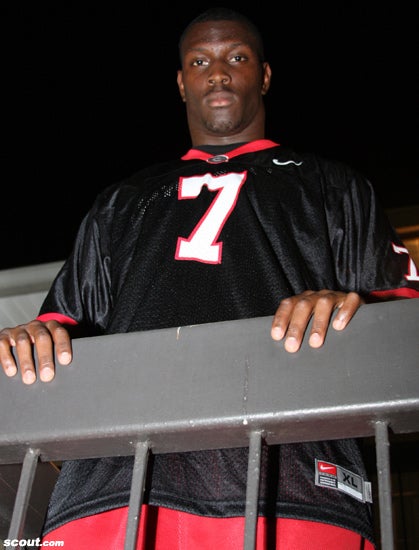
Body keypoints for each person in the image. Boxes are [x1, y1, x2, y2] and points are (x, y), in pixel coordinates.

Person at [1, 7, 418, 549]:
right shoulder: (122, 201)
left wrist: (350, 305)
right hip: (115, 489)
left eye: (236, 57)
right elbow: (62, 324)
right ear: (181, 82)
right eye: (200, 61)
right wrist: (32, 336)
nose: (218, 72)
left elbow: (403, 320)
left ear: (264, 76)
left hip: (292, 485)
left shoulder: (333, 184)